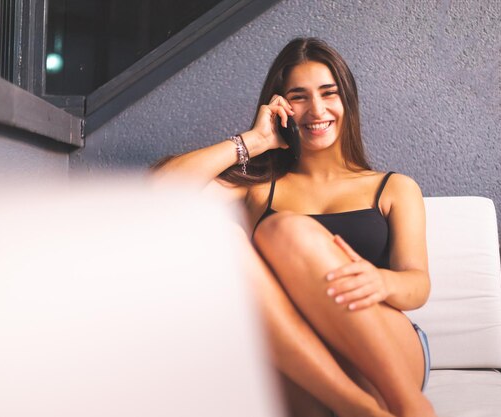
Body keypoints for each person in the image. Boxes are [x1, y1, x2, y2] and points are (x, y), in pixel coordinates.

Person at [153, 37, 436, 417]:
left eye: (328, 93)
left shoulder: (393, 188)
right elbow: (162, 196)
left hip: (386, 348)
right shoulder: (257, 189)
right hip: (302, 362)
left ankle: (410, 406)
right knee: (223, 238)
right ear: (279, 107)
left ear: (347, 100)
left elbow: (417, 284)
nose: (316, 109)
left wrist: (381, 281)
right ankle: (359, 410)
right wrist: (253, 142)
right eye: (299, 96)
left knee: (285, 230)